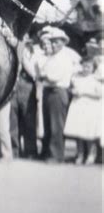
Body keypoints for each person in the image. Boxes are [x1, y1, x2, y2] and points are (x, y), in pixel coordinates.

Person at [36, 26, 80, 163]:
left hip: (58, 91)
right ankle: (47, 152)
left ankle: (56, 155)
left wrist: (44, 75)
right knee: (48, 124)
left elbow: (53, 76)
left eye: (56, 42)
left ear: (63, 43)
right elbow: (40, 72)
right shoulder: (51, 57)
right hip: (48, 91)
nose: (53, 44)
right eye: (52, 41)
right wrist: (43, 75)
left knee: (57, 125)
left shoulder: (65, 58)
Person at [64, 57, 101, 165]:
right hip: (77, 106)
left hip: (89, 107)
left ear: (93, 68)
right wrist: (72, 91)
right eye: (84, 66)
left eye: (88, 67)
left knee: (88, 133)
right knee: (78, 132)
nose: (85, 69)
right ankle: (80, 154)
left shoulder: (95, 79)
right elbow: (70, 88)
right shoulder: (76, 77)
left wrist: (84, 93)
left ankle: (90, 155)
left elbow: (99, 94)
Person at [10, 33, 39, 159]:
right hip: (13, 85)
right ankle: (15, 150)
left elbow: (34, 72)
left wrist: (21, 56)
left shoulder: (35, 53)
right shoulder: (11, 50)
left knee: (29, 119)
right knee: (13, 119)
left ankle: (30, 150)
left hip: (28, 85)